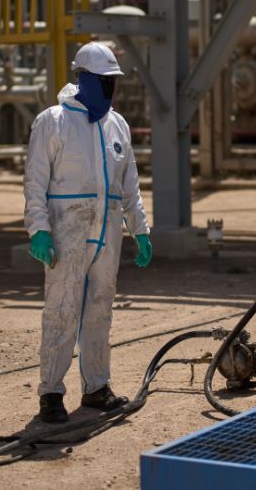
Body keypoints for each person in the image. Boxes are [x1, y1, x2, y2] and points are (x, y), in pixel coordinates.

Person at [23, 42, 153, 424]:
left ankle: (96, 387)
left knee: (100, 310)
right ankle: (51, 392)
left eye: (113, 81)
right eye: (104, 81)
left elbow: (130, 185)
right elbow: (35, 181)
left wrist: (140, 229)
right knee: (61, 310)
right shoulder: (53, 121)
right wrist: (38, 230)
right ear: (83, 79)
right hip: (67, 231)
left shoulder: (117, 125)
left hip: (107, 233)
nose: (110, 88)